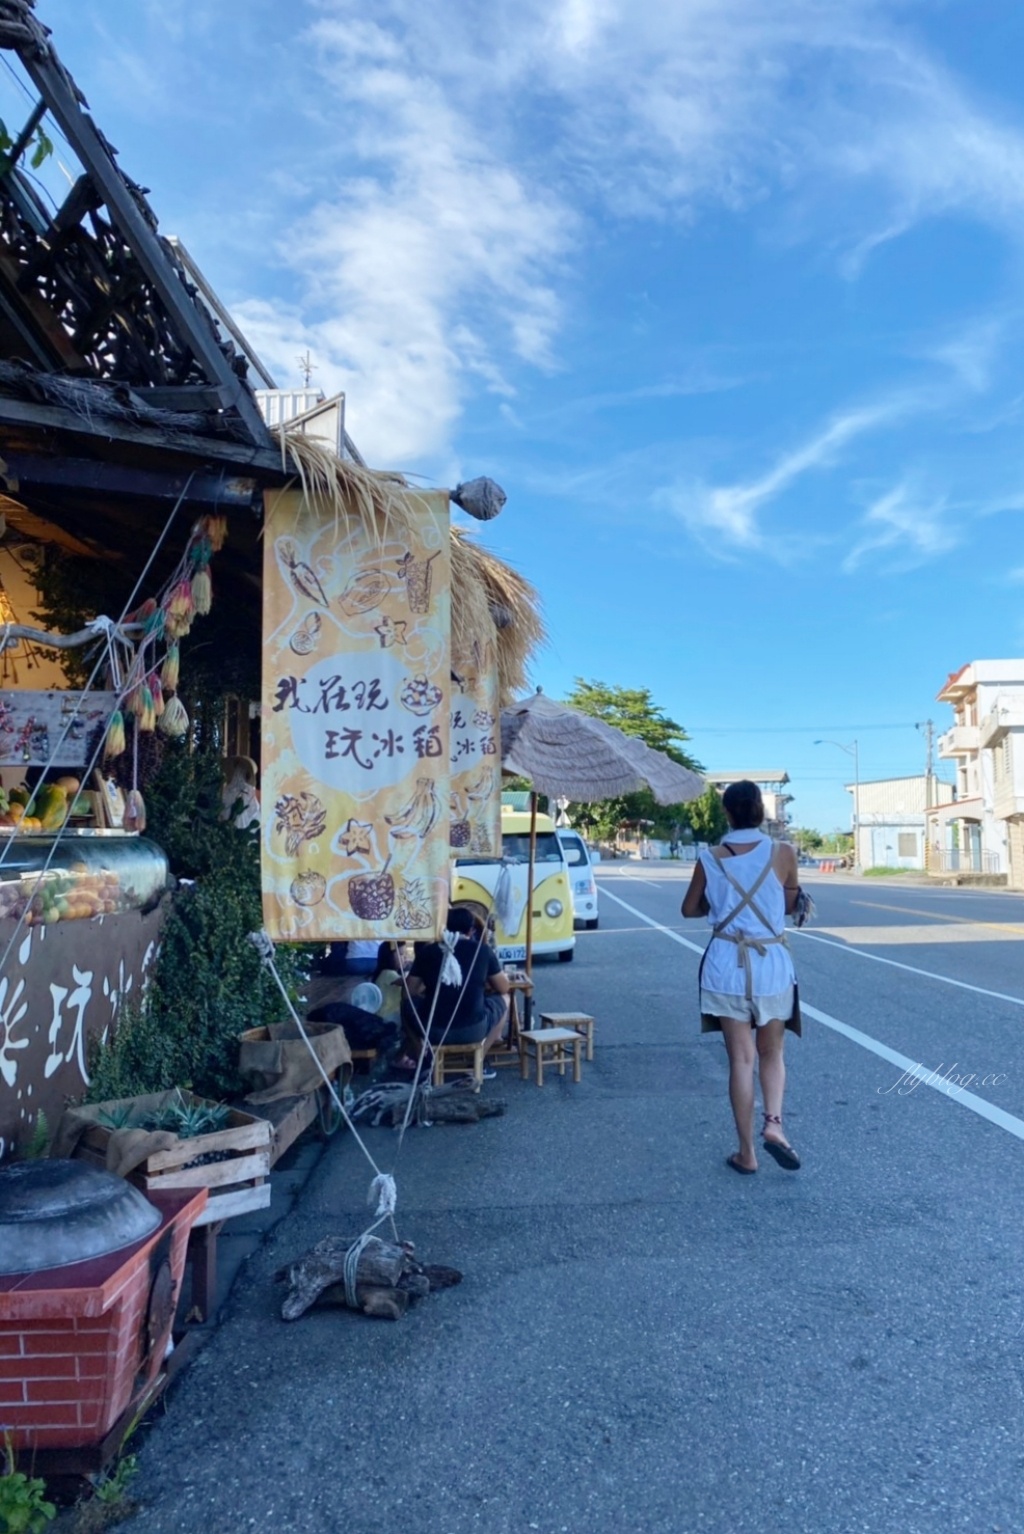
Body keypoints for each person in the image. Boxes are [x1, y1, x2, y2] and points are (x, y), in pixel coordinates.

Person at [681, 780, 802, 1174]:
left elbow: (689, 910)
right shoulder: (784, 853)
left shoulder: (709, 857)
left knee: (740, 1059)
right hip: (771, 965)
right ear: (761, 812)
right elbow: (787, 905)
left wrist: (719, 907)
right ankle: (774, 1125)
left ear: (727, 814)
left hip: (725, 964)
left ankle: (746, 1153)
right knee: (772, 1052)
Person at [401, 906, 510, 1062]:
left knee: (405, 1005)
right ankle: (479, 1059)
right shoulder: (483, 951)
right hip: (474, 1029)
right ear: (471, 930)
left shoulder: (427, 952)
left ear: (443, 928)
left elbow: (408, 993)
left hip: (432, 1029)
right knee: (505, 998)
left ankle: (421, 1057)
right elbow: (503, 987)